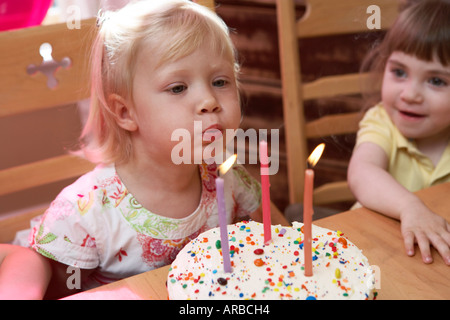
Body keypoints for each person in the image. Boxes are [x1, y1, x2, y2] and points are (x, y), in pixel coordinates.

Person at [0, 0, 288, 299]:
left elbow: (285, 244)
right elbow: (57, 291)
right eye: (177, 87)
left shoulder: (228, 178)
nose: (209, 100)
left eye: (220, 81)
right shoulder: (85, 212)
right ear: (125, 113)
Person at [348, 0, 450, 266]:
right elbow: (362, 173)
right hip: (373, 255)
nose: (410, 94)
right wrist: (409, 207)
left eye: (436, 80)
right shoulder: (382, 121)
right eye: (399, 72)